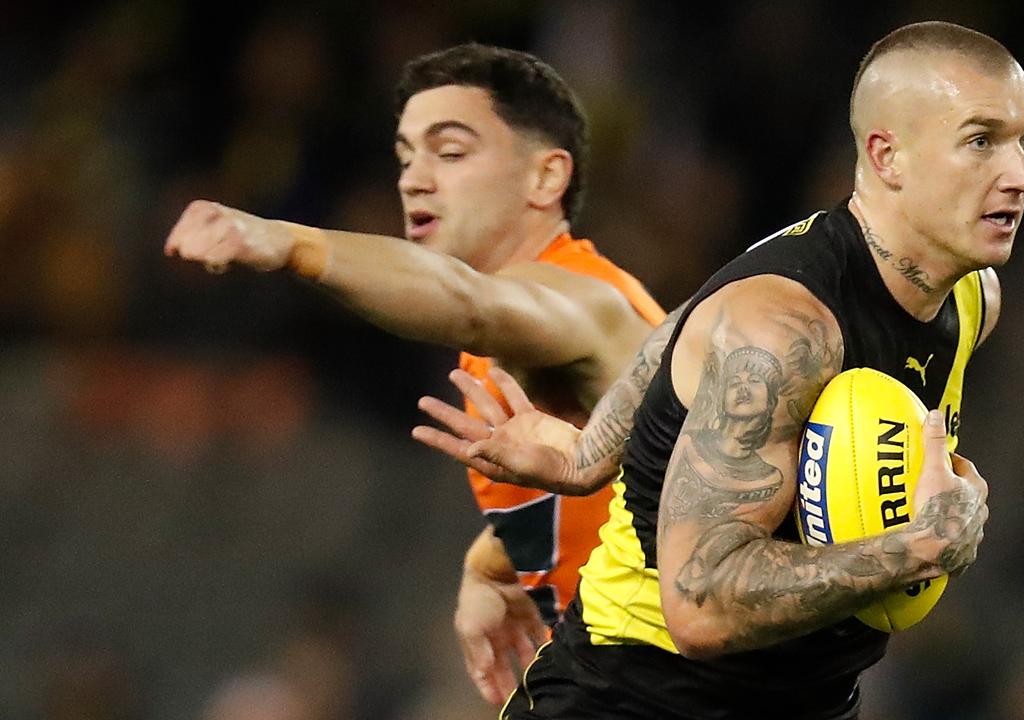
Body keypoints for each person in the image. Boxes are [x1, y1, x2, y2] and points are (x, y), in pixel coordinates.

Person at [415, 20, 1024, 719]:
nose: (1020, 175)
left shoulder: (969, 296)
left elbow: (689, 319)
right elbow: (700, 605)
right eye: (981, 141)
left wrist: (591, 453)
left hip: (808, 701)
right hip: (632, 701)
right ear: (886, 156)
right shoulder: (784, 325)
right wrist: (916, 548)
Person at [163, 43, 666, 705]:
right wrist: (492, 558)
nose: (414, 180)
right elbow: (646, 491)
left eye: (450, 152)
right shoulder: (520, 330)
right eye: (405, 157)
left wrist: (291, 242)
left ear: (545, 179)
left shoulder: (580, 297)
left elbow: (469, 302)